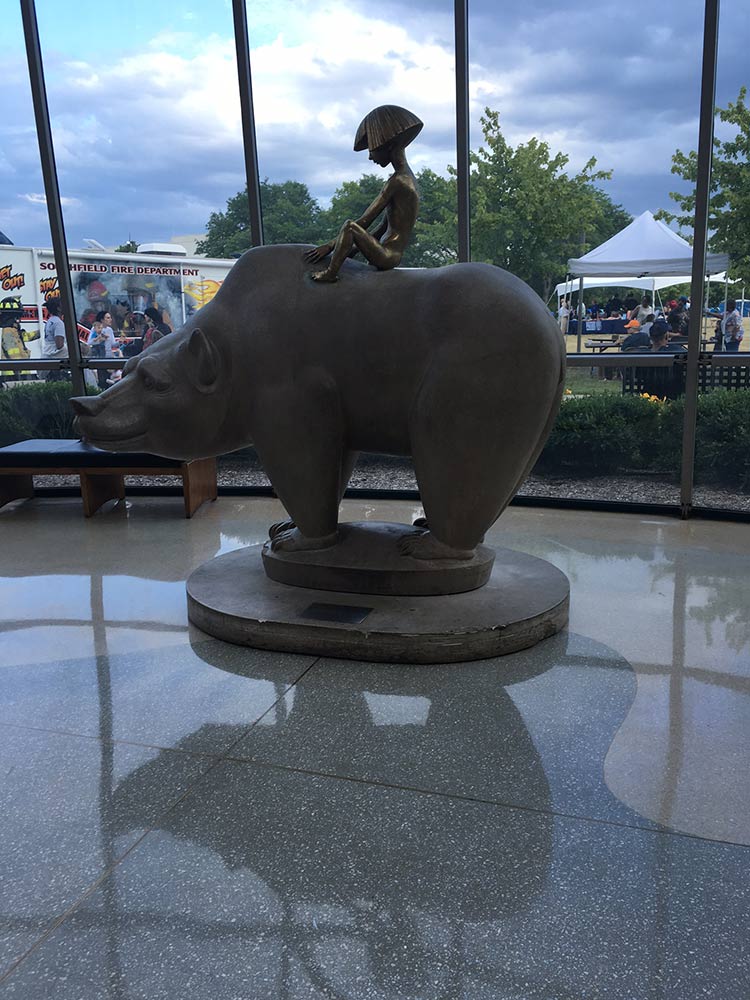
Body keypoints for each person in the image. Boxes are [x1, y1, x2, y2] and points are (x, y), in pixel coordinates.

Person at [305, 105, 423, 283]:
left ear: (388, 146)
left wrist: (329, 247)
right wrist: (354, 248)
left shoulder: (398, 181)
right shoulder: (408, 178)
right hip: (391, 253)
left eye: (371, 150)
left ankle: (331, 273)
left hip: (387, 256)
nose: (370, 157)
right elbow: (383, 227)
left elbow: (364, 221)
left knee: (349, 226)